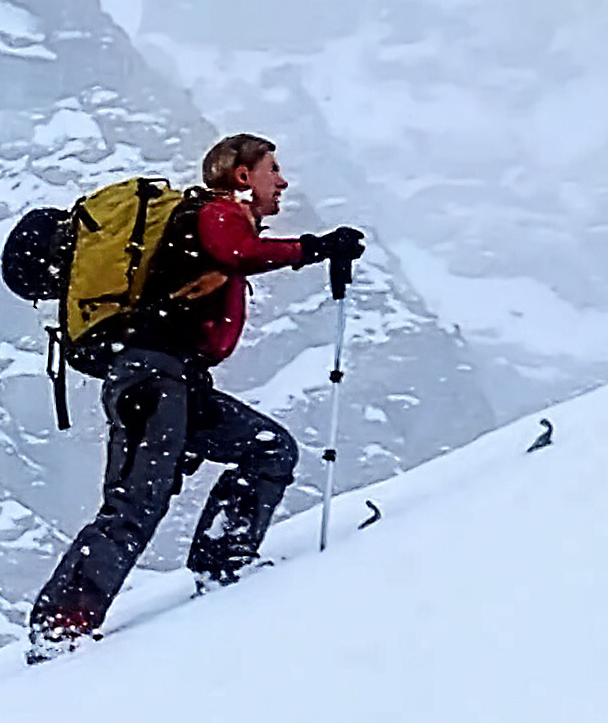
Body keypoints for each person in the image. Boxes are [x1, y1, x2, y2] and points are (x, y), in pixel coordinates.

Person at [26, 133, 364, 647]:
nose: (284, 180)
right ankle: (59, 626)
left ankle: (221, 565)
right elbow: (238, 252)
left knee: (268, 450)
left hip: (171, 381)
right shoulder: (217, 213)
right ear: (243, 176)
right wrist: (316, 248)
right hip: (152, 378)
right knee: (137, 504)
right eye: (273, 168)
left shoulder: (212, 218)